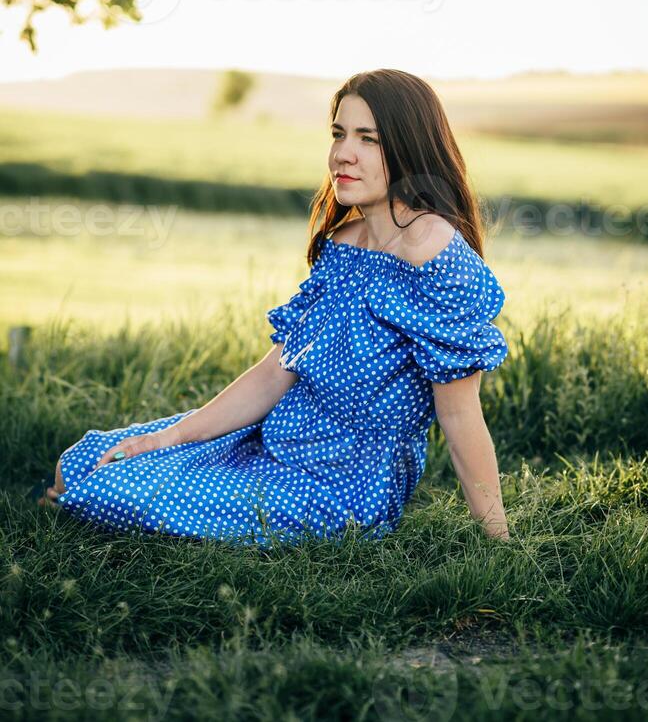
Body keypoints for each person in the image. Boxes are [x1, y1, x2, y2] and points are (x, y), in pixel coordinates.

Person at [40, 69, 511, 546]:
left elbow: (459, 416)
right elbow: (275, 373)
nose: (342, 154)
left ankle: (81, 512)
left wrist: (498, 542)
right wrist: (171, 437)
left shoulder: (433, 253)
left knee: (115, 489)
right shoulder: (346, 242)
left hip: (339, 484)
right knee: (80, 461)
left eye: (368, 139)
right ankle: (81, 502)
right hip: (274, 440)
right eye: (338, 134)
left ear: (410, 147)